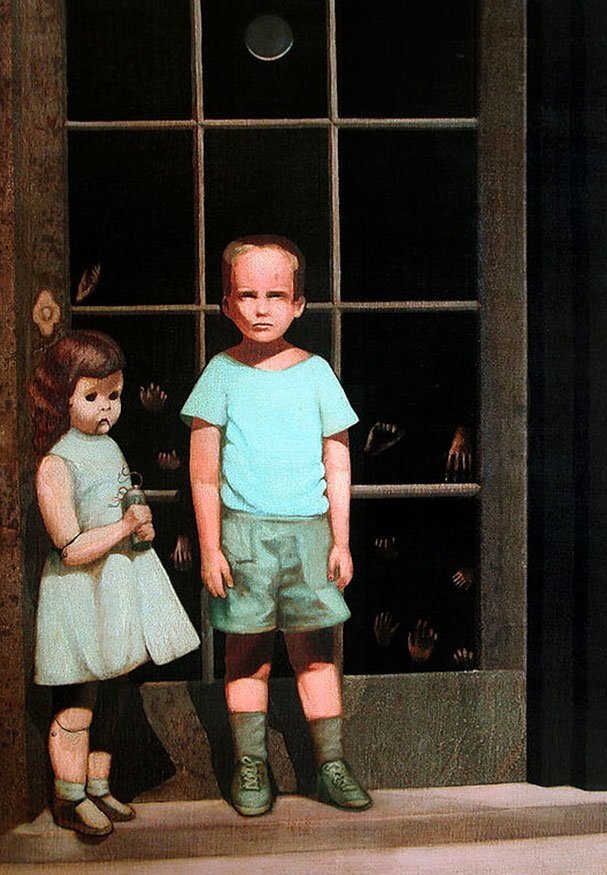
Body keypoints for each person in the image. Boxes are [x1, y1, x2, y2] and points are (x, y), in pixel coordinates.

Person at [181, 235, 371, 816]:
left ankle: (331, 765)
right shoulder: (221, 373)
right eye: (247, 295)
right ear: (227, 305)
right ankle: (251, 764)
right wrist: (211, 548)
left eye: (276, 296)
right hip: (243, 538)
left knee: (314, 653)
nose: (261, 308)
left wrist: (341, 540)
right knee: (247, 655)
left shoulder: (316, 372)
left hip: (309, 535)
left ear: (299, 304)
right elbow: (203, 474)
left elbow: (338, 462)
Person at [28, 330, 200, 837]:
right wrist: (124, 527)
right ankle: (69, 796)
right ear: (62, 398)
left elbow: (120, 506)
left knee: (114, 692)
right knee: (80, 698)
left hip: (118, 585)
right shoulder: (56, 463)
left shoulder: (109, 448)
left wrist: (140, 528)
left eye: (115, 395)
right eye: (92, 397)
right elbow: (70, 547)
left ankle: (99, 785)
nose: (106, 407)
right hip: (82, 591)